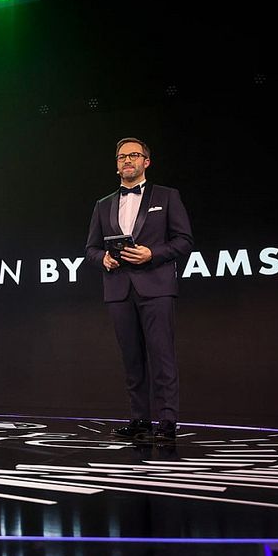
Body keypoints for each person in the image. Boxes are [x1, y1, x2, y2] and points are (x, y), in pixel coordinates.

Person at [85, 137, 193, 443]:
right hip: (118, 289)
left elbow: (184, 240)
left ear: (146, 161)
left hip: (156, 287)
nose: (127, 161)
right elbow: (90, 248)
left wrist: (152, 254)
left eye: (134, 155)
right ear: (117, 164)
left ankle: (168, 420)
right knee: (132, 359)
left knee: (162, 356)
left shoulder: (168, 196)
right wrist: (102, 258)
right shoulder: (102, 204)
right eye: (121, 157)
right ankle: (140, 419)